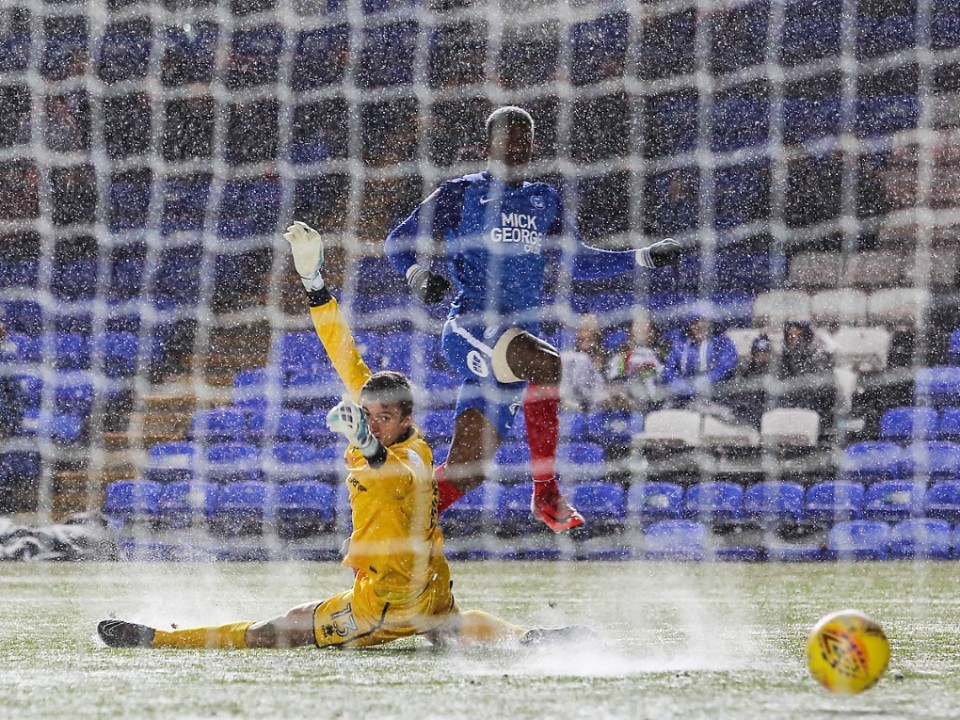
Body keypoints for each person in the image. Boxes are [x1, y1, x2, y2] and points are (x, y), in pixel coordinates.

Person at [98, 222, 589, 651]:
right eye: (368, 415)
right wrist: (314, 285)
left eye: (383, 419)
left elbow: (397, 475)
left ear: (407, 420)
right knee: (448, 625)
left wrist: (370, 447)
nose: (372, 424)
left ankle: (158, 639)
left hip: (387, 602)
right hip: (430, 589)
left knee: (277, 630)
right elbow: (343, 352)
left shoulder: (413, 453)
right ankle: (528, 638)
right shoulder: (379, 417)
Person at [385, 106, 681, 532]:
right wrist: (417, 275)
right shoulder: (461, 193)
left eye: (526, 138)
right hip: (470, 328)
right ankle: (546, 492)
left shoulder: (544, 199)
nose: (518, 146)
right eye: (510, 138)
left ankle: (389, 528)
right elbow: (398, 241)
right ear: (489, 145)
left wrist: (643, 257)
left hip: (517, 342)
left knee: (468, 470)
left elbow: (579, 261)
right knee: (548, 363)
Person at [662, 316, 739, 414]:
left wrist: (709, 378)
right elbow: (668, 369)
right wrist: (675, 381)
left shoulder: (721, 342)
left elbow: (727, 365)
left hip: (717, 396)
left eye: (703, 322)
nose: (699, 326)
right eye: (695, 323)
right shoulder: (681, 344)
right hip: (683, 398)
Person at [605, 312, 668, 412]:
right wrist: (625, 398)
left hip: (658, 405)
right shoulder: (622, 357)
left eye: (646, 325)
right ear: (630, 331)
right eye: (638, 325)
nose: (642, 329)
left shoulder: (662, 355)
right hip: (630, 406)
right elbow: (614, 382)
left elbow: (667, 379)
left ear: (653, 331)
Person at [559, 314, 609, 413]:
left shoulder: (607, 360)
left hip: (598, 407)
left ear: (598, 338)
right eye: (581, 339)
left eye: (590, 339)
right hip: (573, 406)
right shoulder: (571, 360)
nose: (585, 345)